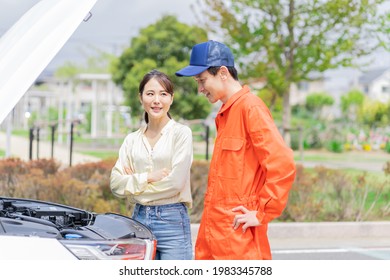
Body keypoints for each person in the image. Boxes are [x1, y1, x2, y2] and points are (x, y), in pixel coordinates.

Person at [176, 40, 296, 260]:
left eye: (202, 81)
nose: (200, 89)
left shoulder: (250, 107)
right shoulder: (227, 112)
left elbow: (283, 163)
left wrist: (262, 213)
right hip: (215, 233)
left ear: (222, 72)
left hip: (238, 239)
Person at [110, 69, 193, 260]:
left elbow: (176, 183)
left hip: (172, 222)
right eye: (150, 93)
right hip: (139, 220)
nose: (157, 100)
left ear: (171, 99)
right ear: (141, 98)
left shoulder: (181, 134)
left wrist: (133, 185)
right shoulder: (131, 140)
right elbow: (115, 184)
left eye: (163, 94)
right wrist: (147, 177)